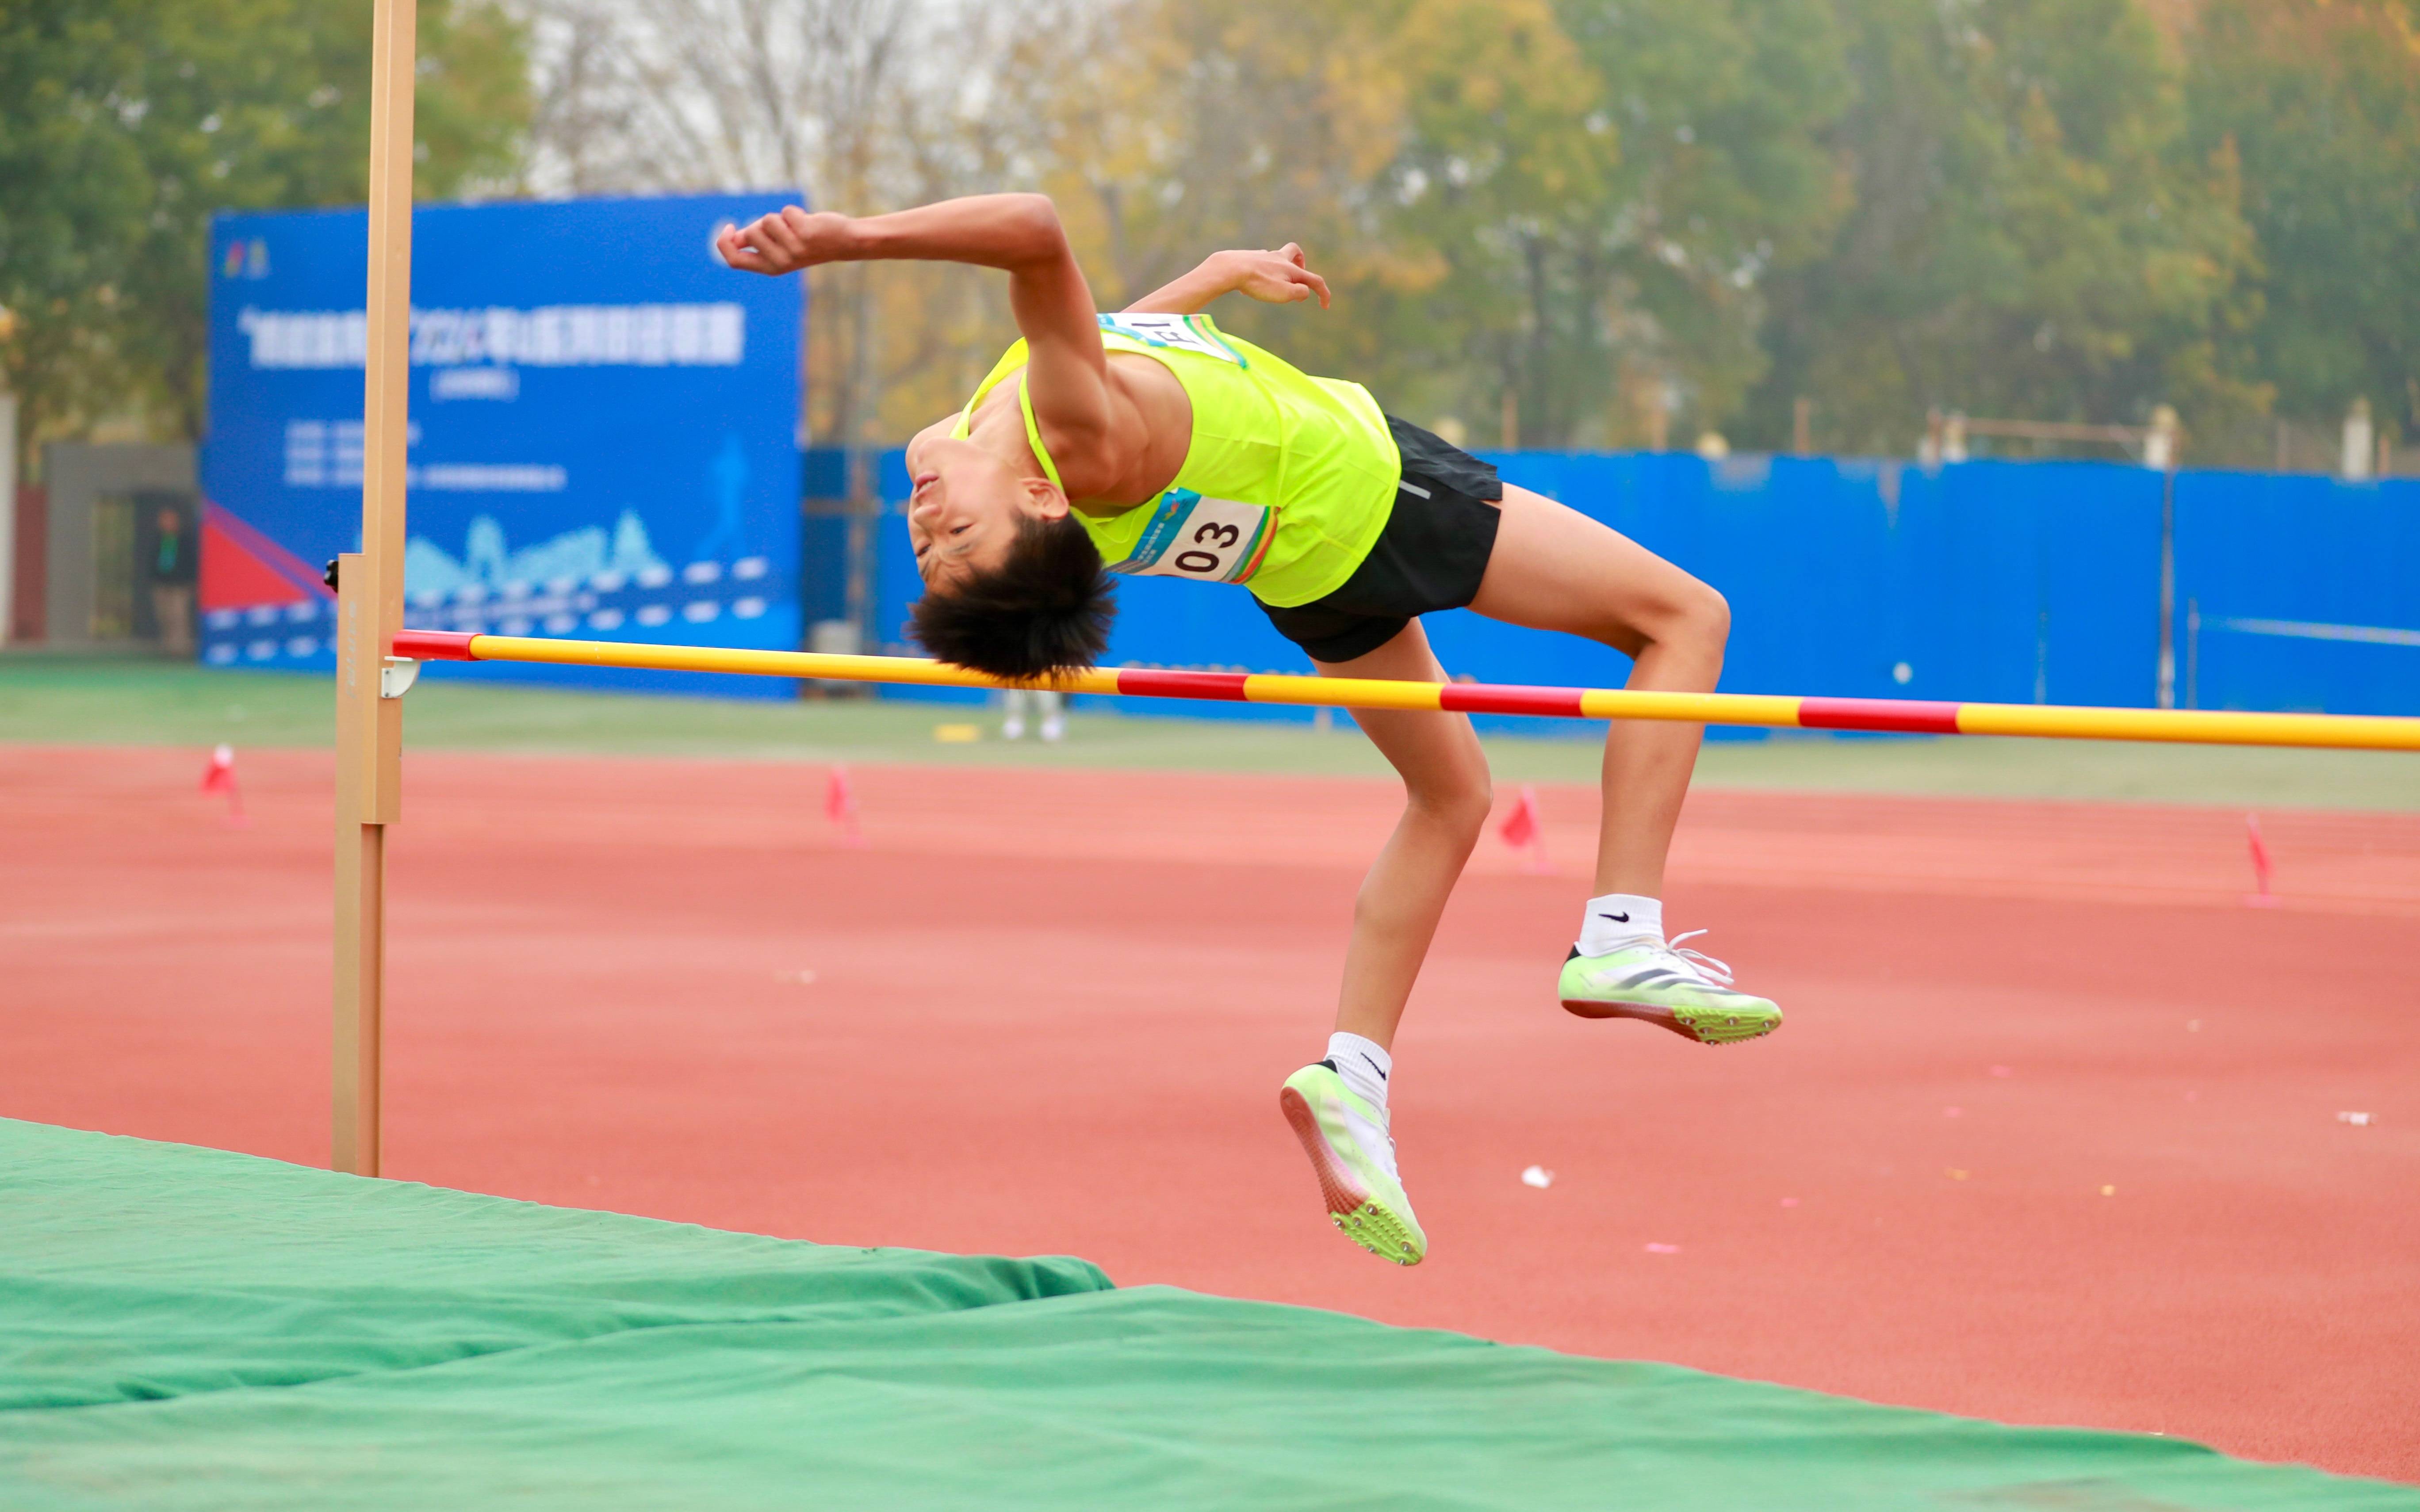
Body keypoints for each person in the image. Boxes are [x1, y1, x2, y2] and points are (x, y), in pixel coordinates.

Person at [722, 195, 1781, 1266]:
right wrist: (844, 243)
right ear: (1047, 500)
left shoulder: (1017, 424)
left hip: (1302, 571)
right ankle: (1621, 936)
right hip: (1378, 496)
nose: (922, 515)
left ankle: (1352, 1084)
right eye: (953, 533)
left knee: (1451, 798)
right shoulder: (1076, 438)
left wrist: (1209, 283)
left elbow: (1100, 333)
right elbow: (1036, 229)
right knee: (1687, 617)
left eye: (935, 540)